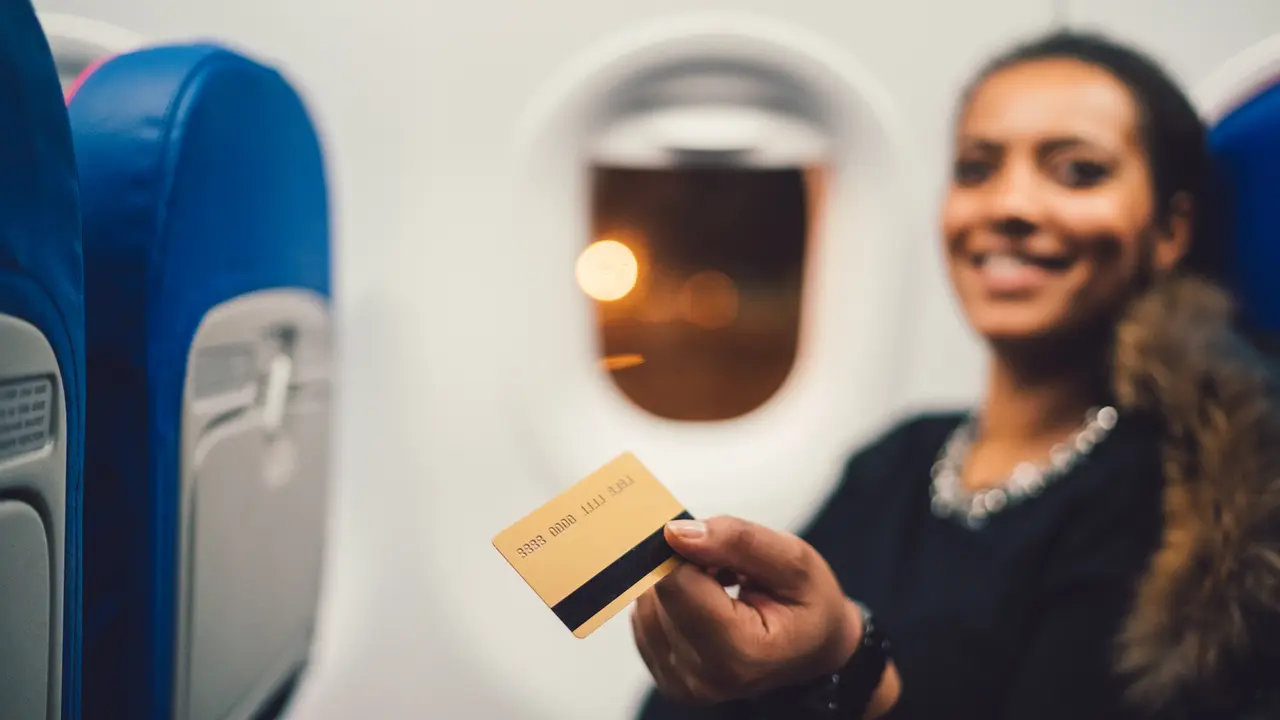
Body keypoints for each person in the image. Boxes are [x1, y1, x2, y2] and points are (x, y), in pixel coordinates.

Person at [632, 30, 1280, 720]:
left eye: (1078, 172)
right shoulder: (899, 461)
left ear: (1171, 230)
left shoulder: (1186, 499)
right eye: (977, 168)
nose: (1010, 207)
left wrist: (848, 666)